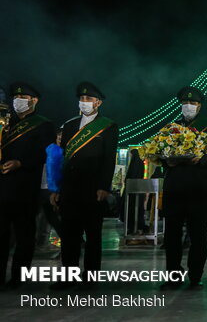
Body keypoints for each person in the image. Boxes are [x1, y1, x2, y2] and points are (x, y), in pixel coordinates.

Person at [50, 82, 118, 290]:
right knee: (69, 235)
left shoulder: (108, 126)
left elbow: (109, 160)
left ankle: (90, 276)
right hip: (70, 189)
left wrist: (104, 187)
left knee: (93, 235)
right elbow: (62, 160)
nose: (84, 102)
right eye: (82, 99)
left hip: (93, 189)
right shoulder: (69, 126)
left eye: (89, 99)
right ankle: (69, 275)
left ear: (98, 102)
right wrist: (57, 189)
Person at [158, 86, 207, 290]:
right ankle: (173, 276)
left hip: (198, 188)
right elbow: (160, 152)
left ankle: (195, 276)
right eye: (186, 103)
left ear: (199, 106)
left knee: (198, 236)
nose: (189, 106)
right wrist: (165, 161)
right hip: (175, 188)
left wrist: (202, 160)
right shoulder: (171, 127)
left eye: (193, 103)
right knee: (172, 236)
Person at [0, 83, 55, 288]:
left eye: (23, 96)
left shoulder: (43, 125)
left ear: (34, 100)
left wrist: (21, 162)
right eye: (16, 96)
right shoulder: (6, 123)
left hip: (25, 188)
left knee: (24, 236)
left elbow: (44, 153)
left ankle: (18, 277)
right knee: (1, 236)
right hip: (3, 188)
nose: (18, 100)